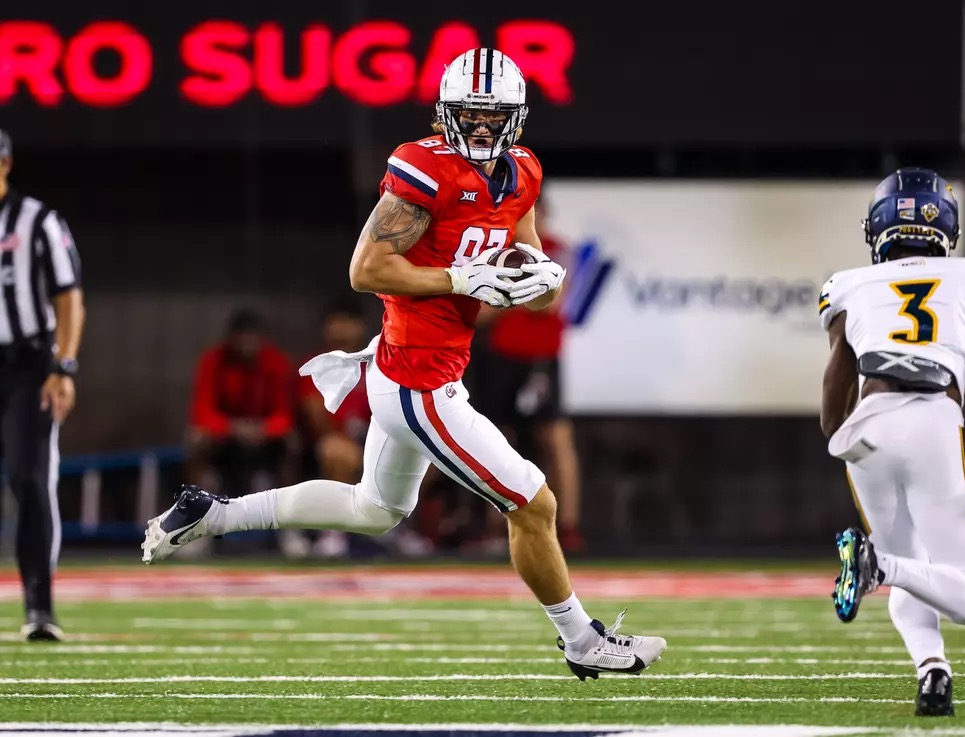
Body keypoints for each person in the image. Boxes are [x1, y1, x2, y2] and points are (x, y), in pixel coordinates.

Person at [142, 48, 667, 679]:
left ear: (516, 120)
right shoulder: (424, 167)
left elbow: (530, 266)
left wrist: (541, 280)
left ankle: (216, 513)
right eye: (469, 115)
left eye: (491, 116)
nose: (479, 129)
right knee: (534, 503)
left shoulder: (522, 171)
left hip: (425, 370)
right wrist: (461, 278)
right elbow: (366, 270)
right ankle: (581, 640)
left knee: (374, 512)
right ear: (446, 113)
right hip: (418, 379)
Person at [821, 167, 965, 716]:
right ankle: (875, 568)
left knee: (912, 565)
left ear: (880, 226)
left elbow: (834, 386)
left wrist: (843, 439)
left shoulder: (849, 284)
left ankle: (933, 674)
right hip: (931, 417)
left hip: (865, 430)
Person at [0, 128, 85, 641]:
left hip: (26, 364)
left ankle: (39, 606)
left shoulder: (36, 221)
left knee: (29, 479)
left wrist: (64, 365)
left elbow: (68, 296)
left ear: (5, 163)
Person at [474, 194, 584, 552]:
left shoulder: (557, 249)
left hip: (541, 358)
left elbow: (553, 302)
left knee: (555, 438)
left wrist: (514, 294)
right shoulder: (500, 251)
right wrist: (521, 291)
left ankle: (568, 526)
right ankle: (495, 526)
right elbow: (484, 313)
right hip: (502, 357)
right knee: (494, 440)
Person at [284, 296, 372, 559]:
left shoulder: (376, 361)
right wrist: (346, 439)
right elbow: (314, 413)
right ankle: (332, 531)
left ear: (361, 327)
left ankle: (403, 529)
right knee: (337, 451)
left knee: (428, 458)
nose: (342, 329)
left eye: (349, 322)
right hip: (326, 442)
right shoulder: (317, 363)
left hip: (373, 440)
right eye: (336, 322)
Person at [185, 309, 297, 499]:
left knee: (292, 441)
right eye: (242, 337)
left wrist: (263, 429)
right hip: (225, 436)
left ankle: (288, 508)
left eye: (252, 338)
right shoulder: (213, 360)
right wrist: (233, 428)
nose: (247, 344)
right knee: (196, 438)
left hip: (263, 436)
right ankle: (196, 505)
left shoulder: (276, 362)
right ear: (231, 339)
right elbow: (202, 412)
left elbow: (284, 415)